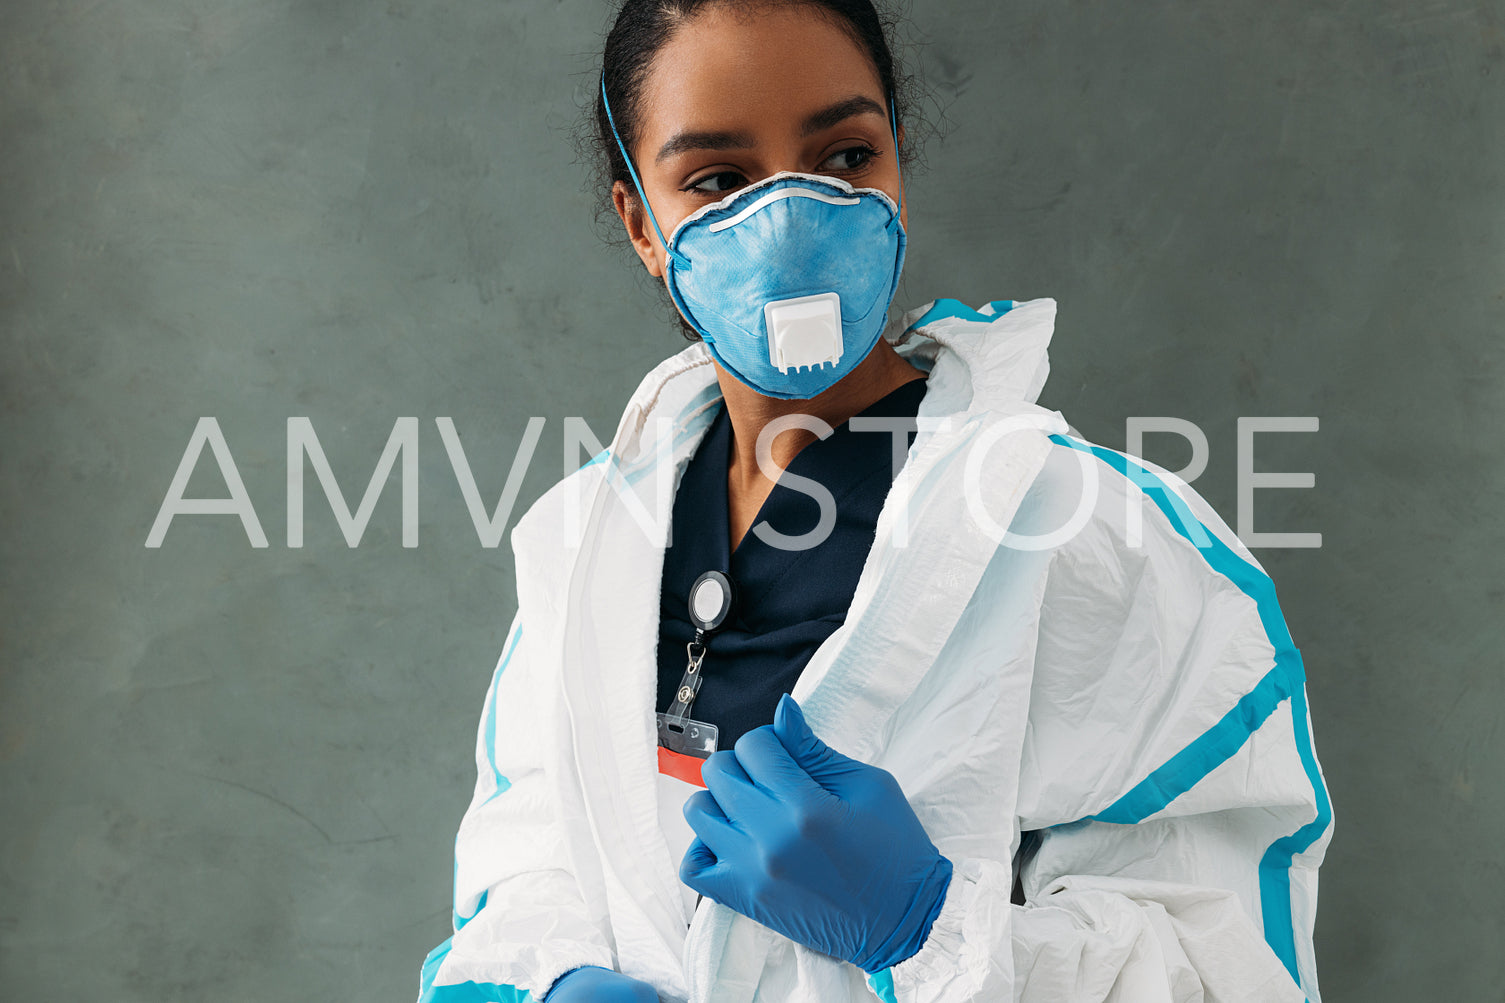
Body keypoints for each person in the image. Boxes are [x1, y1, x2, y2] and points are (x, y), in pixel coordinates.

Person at [416, 1, 1333, 1000]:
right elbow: (522, 866)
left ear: (896, 161)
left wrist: (923, 927)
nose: (791, 223)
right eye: (718, 179)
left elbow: (1230, 969)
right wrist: (543, 986)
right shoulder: (587, 540)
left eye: (844, 156)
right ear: (641, 221)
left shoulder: (1094, 537)